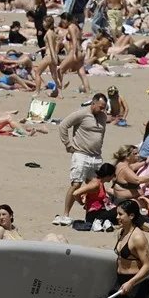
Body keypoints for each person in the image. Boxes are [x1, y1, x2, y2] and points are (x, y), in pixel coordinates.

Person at [55, 93, 108, 226]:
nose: (103, 110)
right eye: (101, 107)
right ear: (93, 103)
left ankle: (92, 215)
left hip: (96, 156)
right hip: (81, 154)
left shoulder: (103, 116)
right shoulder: (82, 113)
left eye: (104, 108)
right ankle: (65, 214)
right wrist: (68, 144)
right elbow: (63, 125)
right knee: (76, 184)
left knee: (96, 187)